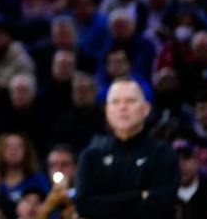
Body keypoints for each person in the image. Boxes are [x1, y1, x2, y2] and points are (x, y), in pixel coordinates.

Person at [75, 78, 178, 219]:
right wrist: (138, 195)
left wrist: (106, 203)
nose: (122, 107)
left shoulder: (163, 154)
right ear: (107, 110)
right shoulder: (92, 155)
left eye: (130, 101)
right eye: (115, 102)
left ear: (146, 109)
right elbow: (84, 206)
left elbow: (160, 207)